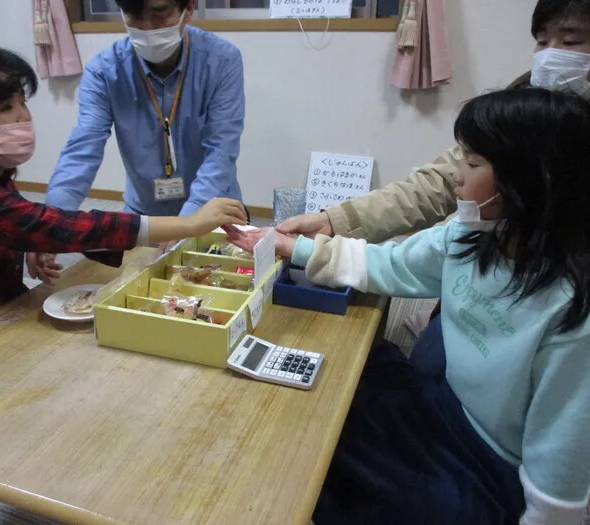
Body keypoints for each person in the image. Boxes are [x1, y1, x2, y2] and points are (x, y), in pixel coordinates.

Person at [228, 89, 590, 524]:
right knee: (336, 391)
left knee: (341, 471)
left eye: (473, 164)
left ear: (532, 182)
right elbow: (389, 264)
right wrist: (295, 247)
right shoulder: (468, 237)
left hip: (489, 468)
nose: (455, 176)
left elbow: (560, 469)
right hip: (443, 407)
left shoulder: (571, 313)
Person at [0, 47, 247, 370]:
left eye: (21, 102)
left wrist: (33, 239)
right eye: (5, 108)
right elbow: (51, 224)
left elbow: (30, 225)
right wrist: (187, 225)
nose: (23, 117)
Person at [278, 0, 590, 244]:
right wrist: (335, 221)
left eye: (571, 43)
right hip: (489, 273)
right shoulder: (521, 105)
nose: (551, 56)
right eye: (542, 41)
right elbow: (432, 186)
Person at [45, 0, 244, 218]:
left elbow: (221, 150)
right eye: (134, 16)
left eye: (159, 15)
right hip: (144, 212)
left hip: (211, 207)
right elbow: (83, 148)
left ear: (188, 9)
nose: (147, 28)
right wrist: (53, 217)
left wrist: (188, 222)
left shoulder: (222, 60)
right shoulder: (104, 71)